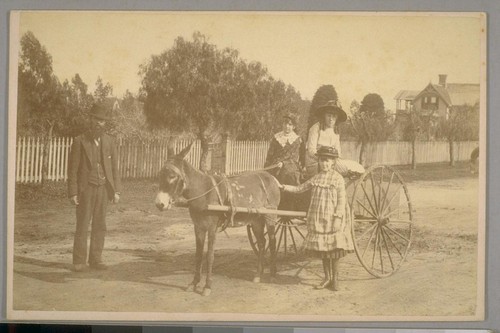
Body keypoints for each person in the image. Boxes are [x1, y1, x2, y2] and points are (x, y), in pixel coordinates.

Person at [279, 146, 354, 291]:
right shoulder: (316, 178)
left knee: (335, 251)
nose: (324, 164)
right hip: (319, 219)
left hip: (333, 218)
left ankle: (335, 279)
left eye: (327, 161)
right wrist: (284, 187)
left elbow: (341, 200)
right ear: (319, 162)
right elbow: (300, 189)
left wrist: (338, 217)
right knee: (324, 251)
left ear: (333, 162)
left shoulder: (338, 179)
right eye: (322, 161)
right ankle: (327, 278)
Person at [67, 103, 122, 272]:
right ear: (90, 119)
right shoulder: (79, 141)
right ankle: (79, 261)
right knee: (83, 224)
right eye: (97, 119)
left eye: (103, 121)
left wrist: (116, 190)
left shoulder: (109, 141)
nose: (100, 123)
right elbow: (73, 170)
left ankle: (96, 259)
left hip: (103, 189)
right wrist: (73, 192)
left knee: (100, 225)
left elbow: (114, 168)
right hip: (86, 189)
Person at [264, 113, 304, 210]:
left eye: (290, 125)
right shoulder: (276, 138)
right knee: (266, 179)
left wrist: (284, 163)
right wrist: (268, 166)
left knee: (291, 175)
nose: (287, 127)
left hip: (291, 166)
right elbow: (270, 155)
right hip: (275, 165)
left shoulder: (297, 140)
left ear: (293, 126)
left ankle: (289, 204)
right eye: (285, 124)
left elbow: (296, 158)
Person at [304, 99, 347, 178]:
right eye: (329, 115)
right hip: (315, 162)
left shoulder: (336, 131)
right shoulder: (316, 128)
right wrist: (324, 158)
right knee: (327, 167)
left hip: (330, 163)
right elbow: (311, 150)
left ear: (337, 118)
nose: (331, 119)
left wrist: (333, 159)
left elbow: (338, 151)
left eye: (334, 116)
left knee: (344, 168)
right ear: (324, 115)